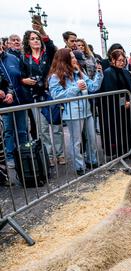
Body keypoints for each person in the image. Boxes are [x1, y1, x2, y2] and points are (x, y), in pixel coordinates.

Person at [48, 49, 103, 176]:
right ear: (64, 59)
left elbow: (93, 87)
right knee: (76, 141)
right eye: (72, 57)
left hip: (87, 111)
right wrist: (75, 88)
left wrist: (99, 74)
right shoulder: (55, 76)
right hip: (72, 113)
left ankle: (92, 160)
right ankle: (79, 166)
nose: (75, 60)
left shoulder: (79, 73)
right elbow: (56, 95)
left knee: (91, 138)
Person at [21, 24, 64, 167]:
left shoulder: (48, 54)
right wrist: (24, 80)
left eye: (37, 38)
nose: (36, 41)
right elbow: (21, 76)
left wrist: (42, 31)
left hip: (51, 95)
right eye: (32, 39)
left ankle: (60, 154)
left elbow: (51, 45)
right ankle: (49, 155)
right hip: (35, 97)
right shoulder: (24, 58)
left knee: (56, 127)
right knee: (43, 129)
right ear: (28, 42)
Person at [99, 49, 131, 158]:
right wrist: (122, 102)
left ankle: (129, 149)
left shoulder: (126, 72)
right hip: (114, 108)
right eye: (119, 60)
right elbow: (110, 90)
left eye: (123, 60)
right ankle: (121, 151)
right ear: (113, 60)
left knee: (128, 128)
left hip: (127, 106)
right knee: (118, 129)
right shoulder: (108, 72)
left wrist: (130, 101)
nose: (122, 62)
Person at [0, 39, 29, 169]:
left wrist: (12, 92)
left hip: (19, 100)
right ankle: (10, 157)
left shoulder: (13, 58)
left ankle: (25, 155)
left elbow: (20, 77)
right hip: (4, 104)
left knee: (22, 130)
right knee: (8, 131)